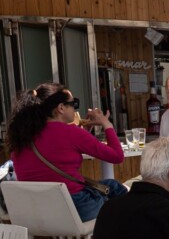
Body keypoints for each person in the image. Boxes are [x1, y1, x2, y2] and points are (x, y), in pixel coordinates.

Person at [7, 82, 127, 221]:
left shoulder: (22, 136)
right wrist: (107, 124)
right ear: (61, 108)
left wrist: (85, 132)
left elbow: (59, 153)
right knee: (115, 187)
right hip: (76, 208)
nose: (75, 109)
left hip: (39, 213)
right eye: (73, 104)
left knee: (109, 186)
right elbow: (117, 156)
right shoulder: (71, 133)